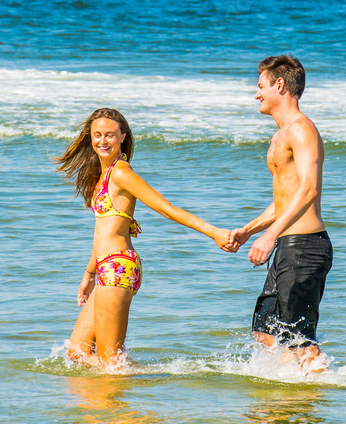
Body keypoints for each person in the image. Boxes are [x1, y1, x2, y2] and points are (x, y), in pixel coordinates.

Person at [56, 107, 232, 372]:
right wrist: (88, 273)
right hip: (105, 268)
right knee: (78, 353)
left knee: (110, 364)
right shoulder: (102, 175)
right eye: (97, 135)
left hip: (118, 267)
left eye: (110, 135)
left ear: (123, 137)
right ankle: (144, 383)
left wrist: (214, 232)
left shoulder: (121, 173)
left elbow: (166, 208)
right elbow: (102, 229)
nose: (102, 141)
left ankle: (142, 408)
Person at [226, 55, 332, 373]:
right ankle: (291, 402)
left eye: (260, 86)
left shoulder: (302, 130)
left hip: (305, 246)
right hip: (288, 247)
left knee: (298, 339)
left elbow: (309, 189)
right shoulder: (279, 137)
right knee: (266, 332)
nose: (256, 93)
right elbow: (285, 198)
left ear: (279, 85)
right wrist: (249, 230)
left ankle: (318, 395)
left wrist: (269, 235)